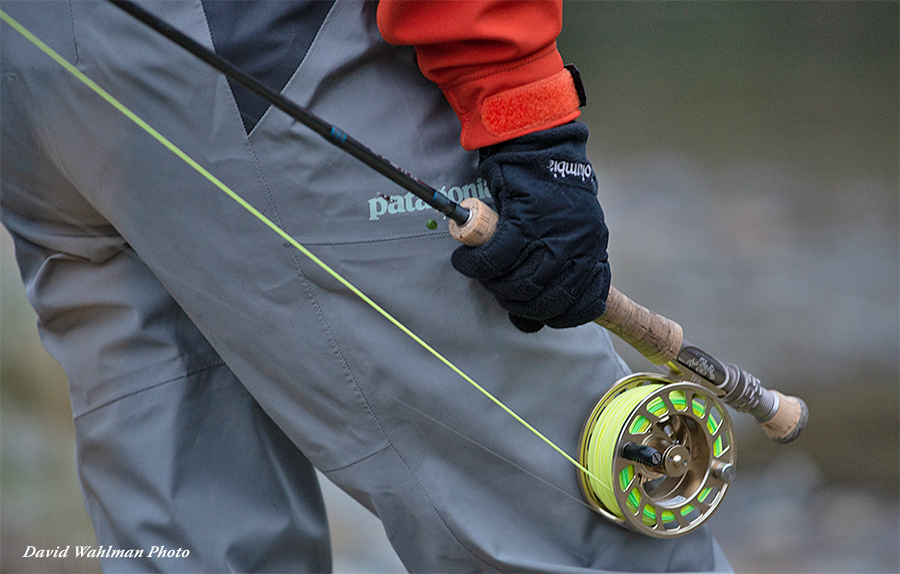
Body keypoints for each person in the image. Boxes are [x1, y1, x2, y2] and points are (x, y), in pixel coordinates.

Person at [1, 1, 732, 572]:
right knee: (598, 540)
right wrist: (527, 115)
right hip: (245, 46)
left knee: (200, 548)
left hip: (26, 84)